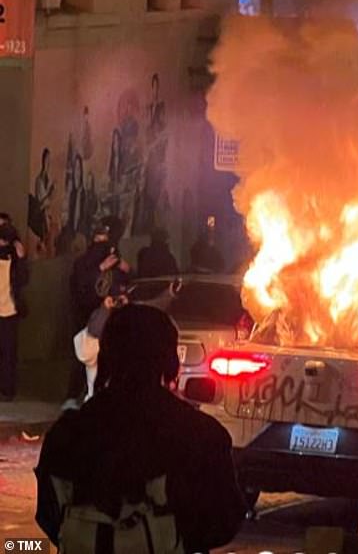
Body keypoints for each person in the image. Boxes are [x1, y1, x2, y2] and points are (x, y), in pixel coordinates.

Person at [35, 304, 245, 553]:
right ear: (170, 360)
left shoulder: (67, 431)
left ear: (106, 355)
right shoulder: (201, 433)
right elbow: (224, 522)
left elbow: (49, 516)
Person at [64, 223, 131, 408]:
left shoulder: (115, 266)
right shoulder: (84, 264)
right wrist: (100, 268)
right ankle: (75, 397)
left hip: (109, 322)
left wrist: (125, 272)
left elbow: (124, 285)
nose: (102, 246)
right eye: (98, 240)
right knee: (86, 360)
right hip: (89, 320)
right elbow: (81, 287)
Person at [0, 222, 29, 400]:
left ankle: (7, 390)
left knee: (9, 354)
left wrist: (21, 258)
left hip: (9, 311)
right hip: (7, 310)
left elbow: (23, 280)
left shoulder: (14, 259)